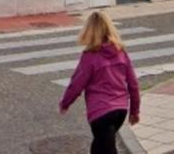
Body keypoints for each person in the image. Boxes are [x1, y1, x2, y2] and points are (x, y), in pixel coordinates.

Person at [59, 11, 140, 154]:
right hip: (120, 111)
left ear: (89, 31)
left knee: (107, 149)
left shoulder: (89, 56)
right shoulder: (121, 52)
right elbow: (133, 84)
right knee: (98, 147)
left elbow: (76, 84)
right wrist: (134, 111)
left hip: (100, 113)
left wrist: (65, 103)